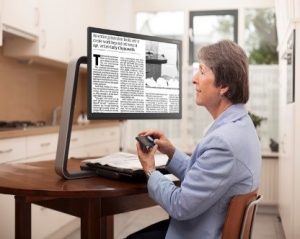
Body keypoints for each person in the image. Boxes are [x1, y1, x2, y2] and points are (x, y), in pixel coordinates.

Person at [127, 40, 261, 239]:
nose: (194, 79)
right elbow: (203, 176)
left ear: (223, 86)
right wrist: (171, 151)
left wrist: (150, 170)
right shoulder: (241, 126)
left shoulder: (225, 142)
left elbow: (179, 205)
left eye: (202, 71)